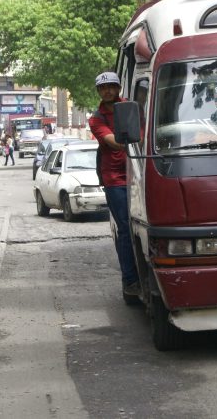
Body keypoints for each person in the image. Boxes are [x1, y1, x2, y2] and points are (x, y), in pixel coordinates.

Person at [88, 71, 141, 297]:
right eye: (103, 87)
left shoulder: (132, 106)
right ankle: (130, 281)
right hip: (115, 178)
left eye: (111, 86)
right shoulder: (96, 118)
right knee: (126, 229)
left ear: (118, 88)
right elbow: (116, 142)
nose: (107, 90)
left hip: (139, 171)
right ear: (99, 91)